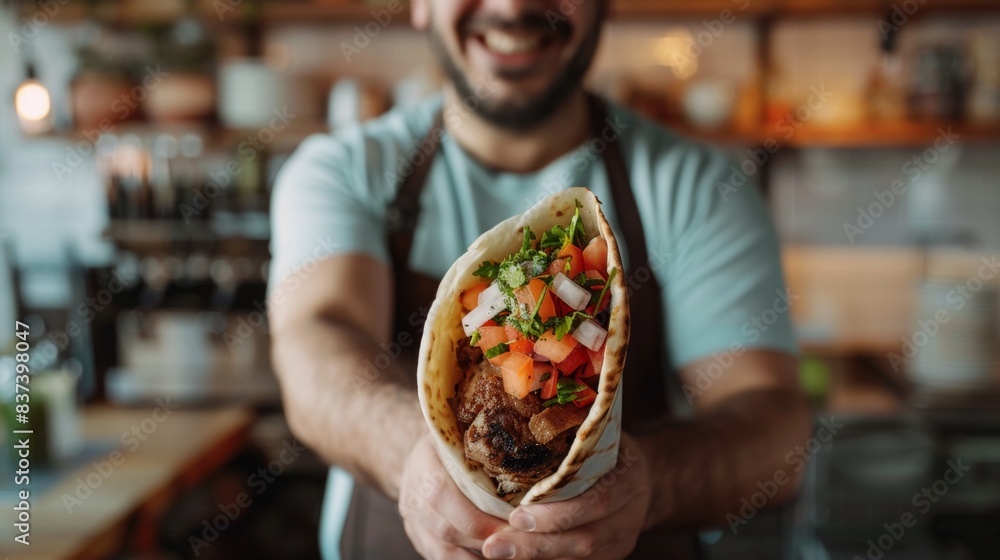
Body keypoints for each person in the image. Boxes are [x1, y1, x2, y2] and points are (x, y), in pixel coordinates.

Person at [268, 0, 812, 558]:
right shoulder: (342, 170)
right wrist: (417, 451)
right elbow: (315, 343)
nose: (512, 7)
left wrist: (651, 484)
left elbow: (775, 431)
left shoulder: (698, 187)